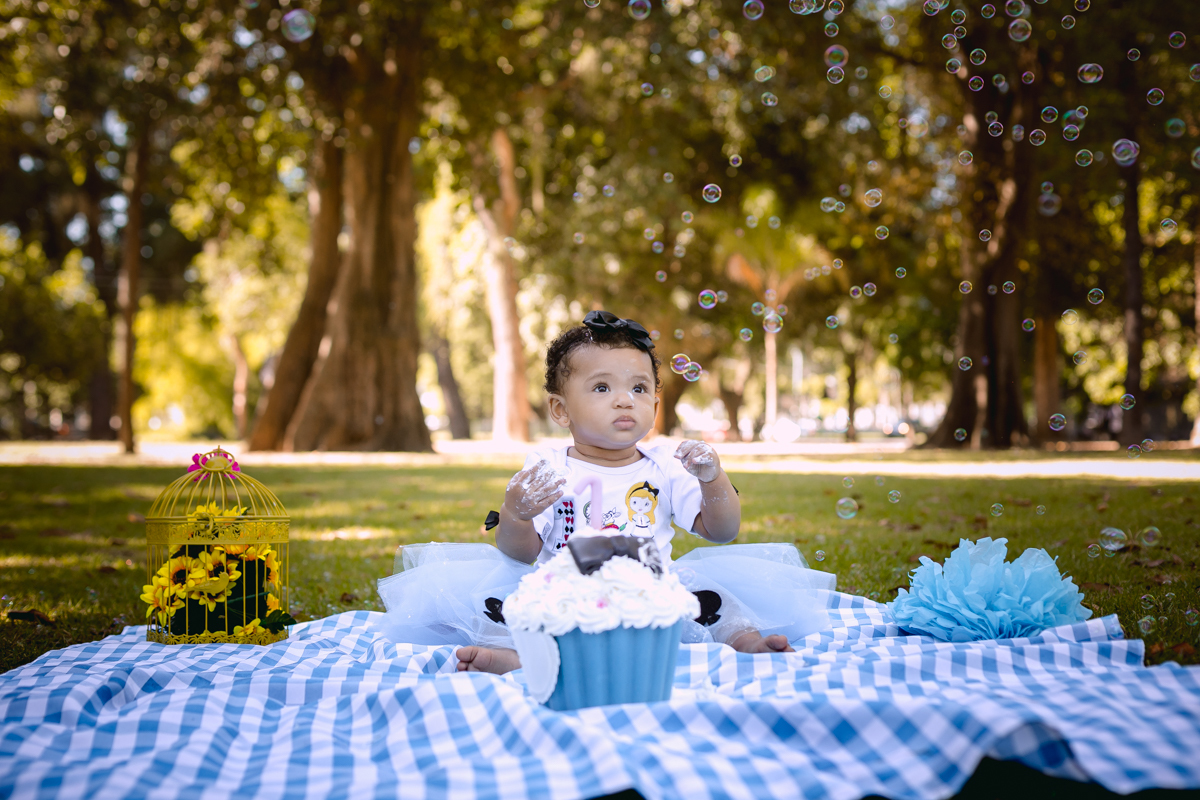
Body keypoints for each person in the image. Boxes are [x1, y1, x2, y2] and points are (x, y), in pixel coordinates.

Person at [376, 310, 831, 674]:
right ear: (560, 410)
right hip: (562, 593)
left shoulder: (667, 464)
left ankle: (745, 642)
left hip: (654, 594)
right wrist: (515, 515)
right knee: (502, 606)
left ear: (655, 403)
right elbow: (518, 554)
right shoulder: (549, 466)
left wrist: (713, 479)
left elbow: (723, 531)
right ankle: (515, 656)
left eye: (639, 388)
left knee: (714, 598)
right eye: (601, 387)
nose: (624, 399)